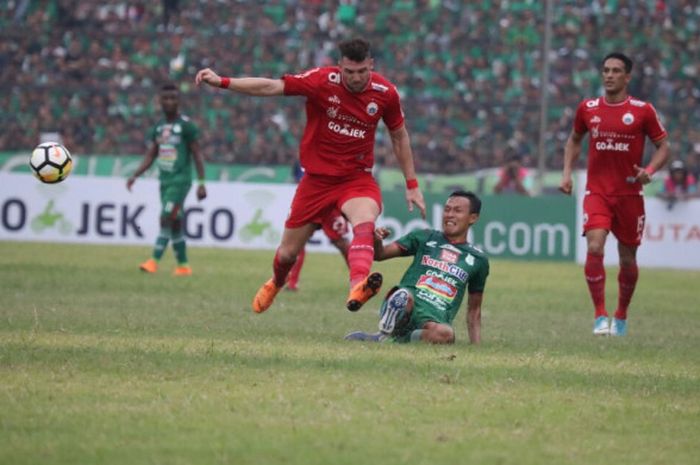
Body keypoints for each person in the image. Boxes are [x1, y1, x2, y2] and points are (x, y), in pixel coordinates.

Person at [195, 38, 426, 312]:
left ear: (371, 65)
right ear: (339, 66)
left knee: (364, 222)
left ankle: (358, 285)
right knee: (287, 254)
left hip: (356, 179)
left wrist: (411, 184)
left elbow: (399, 136)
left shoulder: (385, 92)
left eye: (362, 71)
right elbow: (271, 86)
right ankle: (277, 282)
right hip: (316, 182)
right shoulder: (321, 81)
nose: (356, 78)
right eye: (349, 72)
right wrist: (222, 81)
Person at [559, 52, 669, 336]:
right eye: (606, 70)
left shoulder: (644, 110)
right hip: (597, 192)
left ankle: (620, 315)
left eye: (616, 71)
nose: (609, 75)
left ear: (627, 77)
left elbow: (664, 147)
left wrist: (650, 171)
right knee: (595, 246)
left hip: (630, 195)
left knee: (627, 258)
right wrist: (567, 173)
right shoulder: (588, 108)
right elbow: (574, 140)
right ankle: (600, 316)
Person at [345, 191, 489, 344]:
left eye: (457, 210)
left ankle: (388, 340)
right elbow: (380, 254)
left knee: (446, 335)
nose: (450, 214)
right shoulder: (425, 237)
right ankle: (387, 327)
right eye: (447, 209)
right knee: (403, 297)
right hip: (408, 304)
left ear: (473, 218)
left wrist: (476, 346)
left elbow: (474, 309)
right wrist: (377, 240)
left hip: (435, 318)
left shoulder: (478, 260)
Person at [127, 82, 207, 276]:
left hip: (181, 180)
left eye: (173, 98)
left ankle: (153, 261)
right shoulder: (159, 127)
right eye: (166, 98)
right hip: (165, 180)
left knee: (165, 218)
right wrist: (135, 175)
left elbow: (197, 154)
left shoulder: (186, 126)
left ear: (179, 101)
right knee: (175, 223)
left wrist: (201, 183)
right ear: (159, 101)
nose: (169, 101)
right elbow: (151, 154)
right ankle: (183, 265)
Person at [286, 161, 351, 291]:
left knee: (341, 243)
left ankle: (359, 279)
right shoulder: (301, 159)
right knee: (296, 243)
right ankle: (291, 283)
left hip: (329, 205)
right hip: (308, 203)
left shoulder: (332, 156)